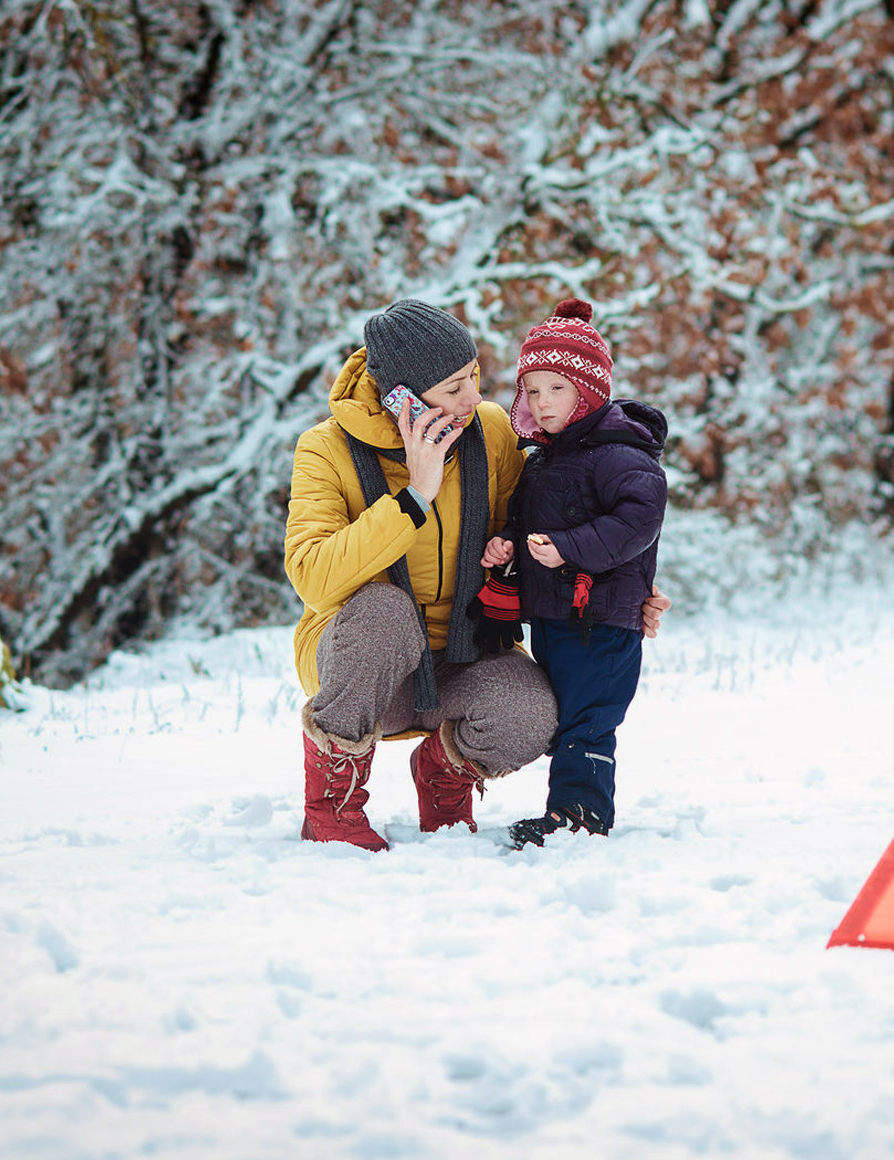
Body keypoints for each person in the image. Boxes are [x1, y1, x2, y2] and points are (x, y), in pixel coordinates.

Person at [284, 299, 668, 851]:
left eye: (474, 377)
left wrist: (622, 588)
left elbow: (549, 527)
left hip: (463, 655)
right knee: (384, 613)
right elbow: (314, 579)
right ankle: (332, 806)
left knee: (533, 711)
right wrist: (414, 495)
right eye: (452, 388)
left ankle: (443, 776)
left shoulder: (489, 430)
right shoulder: (325, 450)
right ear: (402, 398)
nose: (473, 399)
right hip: (363, 666)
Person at [480, 299, 668, 849]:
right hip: (560, 619)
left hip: (603, 620)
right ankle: (567, 807)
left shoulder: (617, 453)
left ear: (588, 390)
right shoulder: (546, 458)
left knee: (589, 719)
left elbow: (640, 517)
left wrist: (568, 549)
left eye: (556, 389)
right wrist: (507, 544)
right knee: (565, 717)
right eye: (532, 390)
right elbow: (532, 521)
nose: (542, 403)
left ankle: (581, 813)